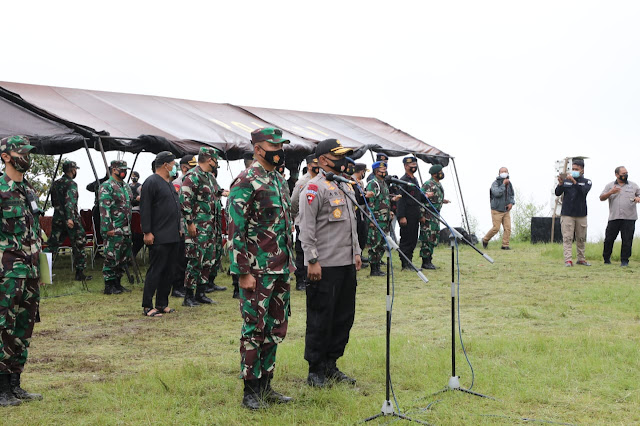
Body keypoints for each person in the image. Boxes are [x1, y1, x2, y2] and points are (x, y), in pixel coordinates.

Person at [227, 127, 294, 410]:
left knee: (275, 328)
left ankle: (267, 386)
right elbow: (234, 229)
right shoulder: (246, 181)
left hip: (280, 268)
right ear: (257, 148)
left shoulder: (279, 180)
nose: (278, 149)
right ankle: (250, 391)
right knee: (254, 329)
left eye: (281, 145)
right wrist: (242, 272)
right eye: (273, 145)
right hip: (256, 270)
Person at [299, 138, 362, 388]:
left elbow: (351, 224)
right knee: (321, 317)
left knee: (343, 317)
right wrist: (312, 259)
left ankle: (331, 364)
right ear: (324, 159)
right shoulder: (314, 188)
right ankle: (315, 369)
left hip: (346, 263)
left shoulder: (344, 186)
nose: (344, 160)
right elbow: (306, 227)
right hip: (324, 265)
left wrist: (356, 251)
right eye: (338, 156)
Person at [0, 136, 43, 406]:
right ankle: (1, 389)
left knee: (23, 328)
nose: (26, 157)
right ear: (5, 156)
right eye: (21, 152)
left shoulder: (28, 189)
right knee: (3, 328)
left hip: (30, 271)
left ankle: (15, 384)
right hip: (6, 273)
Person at [140, 152, 182, 317]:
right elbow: (145, 209)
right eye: (173, 164)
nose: (174, 167)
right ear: (166, 165)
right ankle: (147, 305)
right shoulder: (151, 182)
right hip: (158, 235)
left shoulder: (169, 183)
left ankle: (162, 303)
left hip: (172, 235)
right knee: (156, 270)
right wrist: (147, 232)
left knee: (169, 271)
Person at [179, 148, 219, 307]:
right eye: (216, 160)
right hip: (197, 227)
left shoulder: (209, 177)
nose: (217, 163)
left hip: (210, 227)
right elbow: (184, 200)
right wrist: (189, 223)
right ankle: (188, 296)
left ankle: (201, 293)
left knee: (208, 260)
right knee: (195, 261)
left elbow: (216, 193)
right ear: (210, 159)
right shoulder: (192, 176)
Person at [47, 160, 92, 282]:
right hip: (70, 218)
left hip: (57, 218)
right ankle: (80, 273)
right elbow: (70, 202)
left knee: (52, 245)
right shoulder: (71, 184)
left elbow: (53, 202)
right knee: (80, 243)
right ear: (72, 170)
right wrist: (70, 218)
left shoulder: (55, 183)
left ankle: (44, 273)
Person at [99, 160, 133, 294]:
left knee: (123, 257)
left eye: (125, 169)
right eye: (122, 169)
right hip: (113, 227)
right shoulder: (107, 186)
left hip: (125, 228)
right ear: (114, 169)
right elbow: (104, 208)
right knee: (111, 256)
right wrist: (108, 228)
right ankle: (109, 285)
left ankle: (117, 283)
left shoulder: (125, 186)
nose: (124, 172)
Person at [599, 166, 640, 266]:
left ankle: (625, 260)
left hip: (629, 217)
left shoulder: (633, 185)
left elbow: (639, 195)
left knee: (627, 240)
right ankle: (606, 258)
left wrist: (638, 198)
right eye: (623, 174)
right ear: (617, 175)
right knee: (609, 239)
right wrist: (610, 192)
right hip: (614, 217)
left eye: (626, 173)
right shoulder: (610, 186)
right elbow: (601, 197)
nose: (625, 175)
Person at [555, 159, 592, 267]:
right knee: (567, 238)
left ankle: (581, 259)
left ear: (582, 170)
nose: (574, 171)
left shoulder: (587, 181)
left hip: (581, 214)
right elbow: (557, 192)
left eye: (577, 169)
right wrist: (561, 183)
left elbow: (583, 191)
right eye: (573, 169)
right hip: (567, 214)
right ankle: (568, 260)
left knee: (581, 238)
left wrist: (574, 182)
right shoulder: (566, 181)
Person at [291, 155, 319, 291]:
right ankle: (300, 280)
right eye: (315, 164)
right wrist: (294, 217)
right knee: (302, 252)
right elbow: (294, 202)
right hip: (302, 222)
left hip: (318, 223)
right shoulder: (303, 181)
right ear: (309, 166)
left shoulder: (322, 180)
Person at [171, 155, 197, 298]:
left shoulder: (193, 182)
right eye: (192, 167)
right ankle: (177, 287)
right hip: (181, 225)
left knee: (189, 258)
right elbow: (176, 205)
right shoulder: (178, 182)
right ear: (184, 168)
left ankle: (185, 285)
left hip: (191, 225)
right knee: (180, 259)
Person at [419, 164, 450, 269]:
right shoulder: (428, 184)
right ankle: (425, 261)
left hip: (435, 215)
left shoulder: (438, 184)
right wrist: (421, 215)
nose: (442, 173)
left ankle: (429, 260)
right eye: (440, 172)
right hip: (428, 215)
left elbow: (433, 198)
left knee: (433, 237)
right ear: (435, 174)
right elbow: (421, 200)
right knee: (427, 238)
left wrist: (442, 200)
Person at [206, 153, 228, 293]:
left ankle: (211, 282)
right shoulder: (194, 178)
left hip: (216, 224)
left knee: (216, 252)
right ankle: (199, 287)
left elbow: (217, 191)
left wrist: (222, 192)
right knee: (204, 256)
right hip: (204, 225)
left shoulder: (211, 179)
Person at [365, 161, 391, 276]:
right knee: (374, 244)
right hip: (376, 219)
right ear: (376, 171)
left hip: (384, 219)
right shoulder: (373, 183)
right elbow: (370, 203)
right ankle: (373, 269)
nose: (384, 172)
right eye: (382, 170)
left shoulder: (384, 183)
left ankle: (378, 267)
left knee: (381, 244)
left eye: (385, 170)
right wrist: (371, 220)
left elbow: (383, 199)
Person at [397, 156, 422, 270]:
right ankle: (405, 263)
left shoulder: (414, 180)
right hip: (406, 214)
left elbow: (417, 197)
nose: (414, 167)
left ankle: (410, 261)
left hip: (415, 213)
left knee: (413, 239)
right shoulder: (403, 180)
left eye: (415, 165)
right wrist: (401, 216)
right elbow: (400, 199)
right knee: (406, 239)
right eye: (411, 165)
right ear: (406, 166)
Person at [481, 167, 515, 250]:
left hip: (506, 210)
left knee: (508, 228)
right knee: (496, 228)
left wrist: (511, 203)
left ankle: (505, 245)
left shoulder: (509, 183)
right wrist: (503, 184)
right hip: (496, 210)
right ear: (499, 174)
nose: (504, 173)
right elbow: (496, 193)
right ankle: (485, 239)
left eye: (505, 171)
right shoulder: (495, 183)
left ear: (508, 172)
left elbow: (512, 194)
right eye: (502, 171)